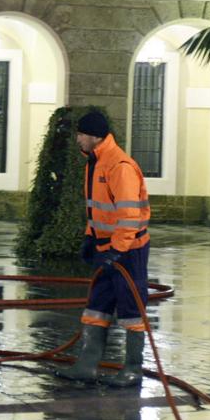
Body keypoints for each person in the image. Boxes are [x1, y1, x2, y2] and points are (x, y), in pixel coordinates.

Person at [55, 110, 151, 387]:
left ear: (94, 136)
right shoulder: (95, 163)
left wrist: (117, 250)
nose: (77, 140)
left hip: (128, 252)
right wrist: (90, 238)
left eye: (81, 134)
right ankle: (86, 366)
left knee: (132, 310)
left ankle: (133, 369)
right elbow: (98, 212)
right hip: (107, 249)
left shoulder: (119, 166)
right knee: (97, 307)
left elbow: (129, 214)